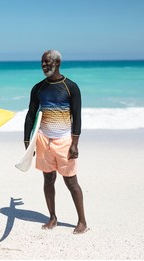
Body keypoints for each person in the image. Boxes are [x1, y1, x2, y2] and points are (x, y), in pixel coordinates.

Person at [24, 50, 88, 234]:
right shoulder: (38, 88)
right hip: (44, 139)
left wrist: (75, 143)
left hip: (64, 140)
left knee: (71, 182)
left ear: (58, 63)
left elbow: (77, 116)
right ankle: (52, 217)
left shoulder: (71, 87)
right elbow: (31, 114)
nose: (44, 66)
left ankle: (82, 221)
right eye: (42, 63)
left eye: (48, 62)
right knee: (48, 179)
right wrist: (28, 140)